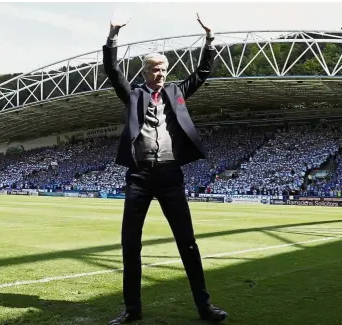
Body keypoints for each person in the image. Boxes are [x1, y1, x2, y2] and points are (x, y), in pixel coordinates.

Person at [102, 14, 228, 325]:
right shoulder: (133, 95)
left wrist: (210, 38)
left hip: (171, 175)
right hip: (139, 177)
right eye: (155, 69)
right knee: (130, 243)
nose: (160, 74)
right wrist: (113, 35)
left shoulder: (177, 92)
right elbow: (112, 70)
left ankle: (205, 308)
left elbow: (203, 72)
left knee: (187, 241)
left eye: (164, 69)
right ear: (144, 71)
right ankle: (133, 310)